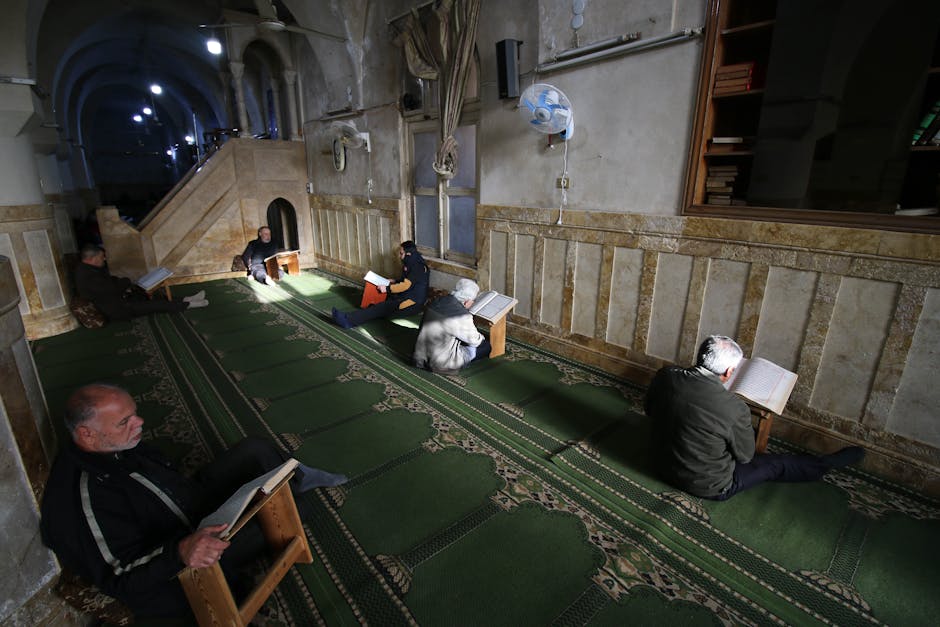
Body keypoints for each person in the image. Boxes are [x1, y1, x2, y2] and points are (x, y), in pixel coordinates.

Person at [40, 383, 347, 619]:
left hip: (186, 504)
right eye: (124, 422)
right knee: (296, 509)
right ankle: (289, 489)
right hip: (184, 548)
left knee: (255, 449)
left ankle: (298, 477)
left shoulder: (110, 444)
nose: (140, 422)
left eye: (135, 413)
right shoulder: (84, 496)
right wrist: (181, 552)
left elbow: (161, 475)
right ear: (87, 434)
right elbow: (119, 577)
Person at [645, 335, 865, 500]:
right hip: (708, 486)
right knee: (774, 464)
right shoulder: (734, 408)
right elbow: (745, 456)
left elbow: (649, 409)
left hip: (658, 464)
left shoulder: (665, 376)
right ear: (729, 372)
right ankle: (826, 464)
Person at [74, 244, 208, 321]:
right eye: (101, 257)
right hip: (117, 309)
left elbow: (109, 283)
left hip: (118, 300)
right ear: (92, 258)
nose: (104, 259)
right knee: (154, 304)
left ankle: (187, 298)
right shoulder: (86, 275)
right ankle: (189, 304)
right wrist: (125, 282)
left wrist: (123, 284)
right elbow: (111, 288)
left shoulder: (89, 269)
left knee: (150, 295)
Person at [332, 241, 430, 329]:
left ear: (408, 254)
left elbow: (405, 286)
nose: (400, 256)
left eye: (401, 253)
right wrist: (394, 281)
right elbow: (410, 281)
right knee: (381, 302)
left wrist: (387, 289)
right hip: (407, 297)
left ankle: (348, 321)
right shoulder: (413, 262)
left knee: (381, 307)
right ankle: (361, 314)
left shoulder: (417, 266)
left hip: (412, 304)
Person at [413, 278, 492, 374]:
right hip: (441, 363)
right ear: (467, 301)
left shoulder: (437, 300)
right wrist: (481, 337)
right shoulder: (461, 315)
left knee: (460, 338)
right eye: (473, 300)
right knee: (486, 346)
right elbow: (475, 341)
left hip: (419, 357)